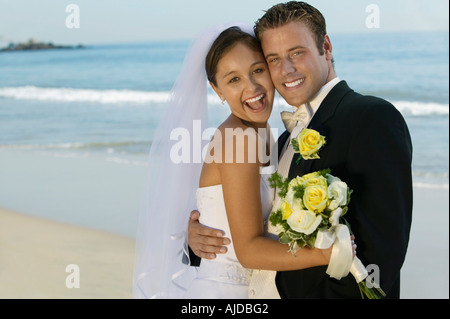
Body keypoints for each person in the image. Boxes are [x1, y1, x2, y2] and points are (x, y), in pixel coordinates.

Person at [188, 1, 413, 299]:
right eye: (274, 59)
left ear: (327, 48)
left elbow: (379, 256)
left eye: (297, 52)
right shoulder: (281, 141)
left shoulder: (371, 119)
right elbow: (251, 230)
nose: (287, 69)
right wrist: (197, 241)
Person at [133, 23, 336, 299]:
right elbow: (249, 249)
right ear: (217, 90)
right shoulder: (238, 138)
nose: (252, 87)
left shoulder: (260, 131)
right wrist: (325, 254)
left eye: (257, 70)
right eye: (234, 79)